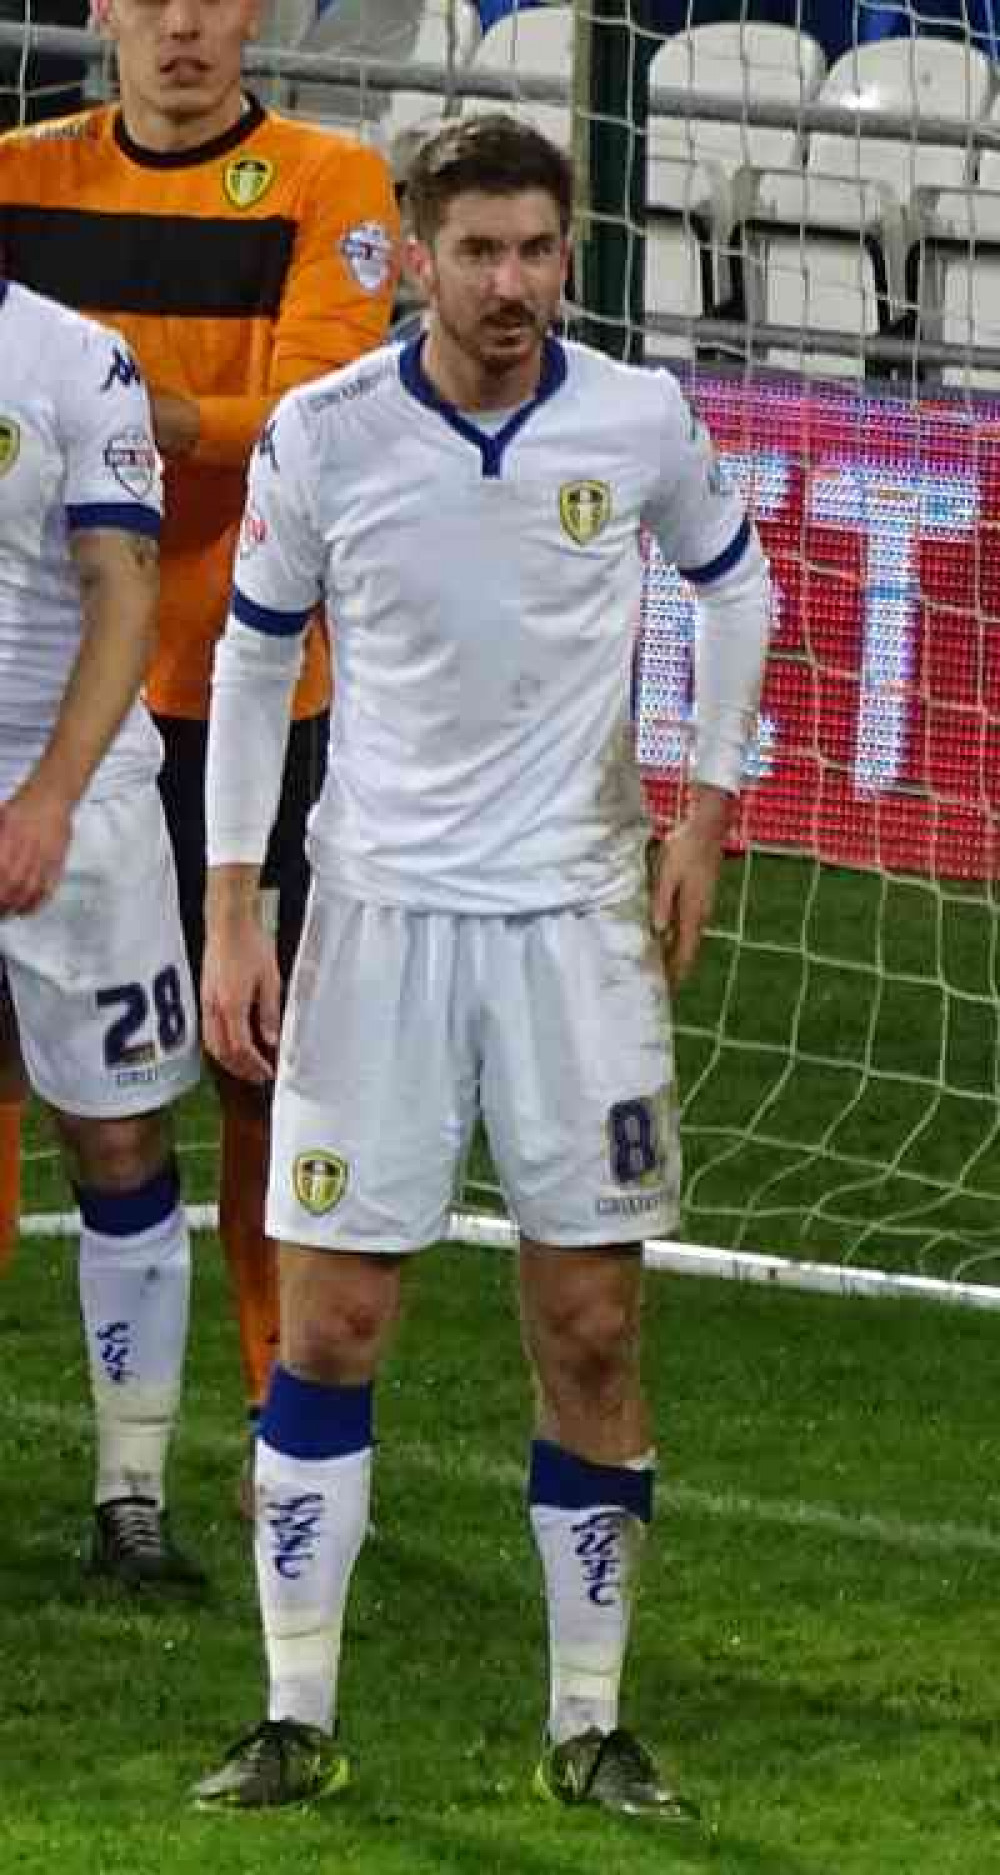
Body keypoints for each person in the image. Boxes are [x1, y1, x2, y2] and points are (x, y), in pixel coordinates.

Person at [192, 112, 771, 1815]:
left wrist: (707, 811)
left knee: (590, 1326)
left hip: (579, 929)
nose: (512, 284)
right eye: (479, 253)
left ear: (565, 250)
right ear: (419, 258)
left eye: (538, 250)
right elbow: (248, 667)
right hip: (374, 926)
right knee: (335, 1320)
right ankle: (294, 1717)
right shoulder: (330, 433)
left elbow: (735, 591)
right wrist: (239, 903)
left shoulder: (637, 418)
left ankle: (588, 1728)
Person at [0, 0, 400, 1480]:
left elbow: (322, 415)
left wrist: (121, 408)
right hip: (54, 715)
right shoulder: (20, 176)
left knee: (254, 1057)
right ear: (99, 8)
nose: (181, 22)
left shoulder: (326, 180)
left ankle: (266, 1404)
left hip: (243, 692)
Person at [0, 278, 203, 1586]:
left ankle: (131, 1494)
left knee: (120, 1135)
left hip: (79, 803)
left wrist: (50, 796)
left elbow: (125, 591)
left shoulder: (77, 358)